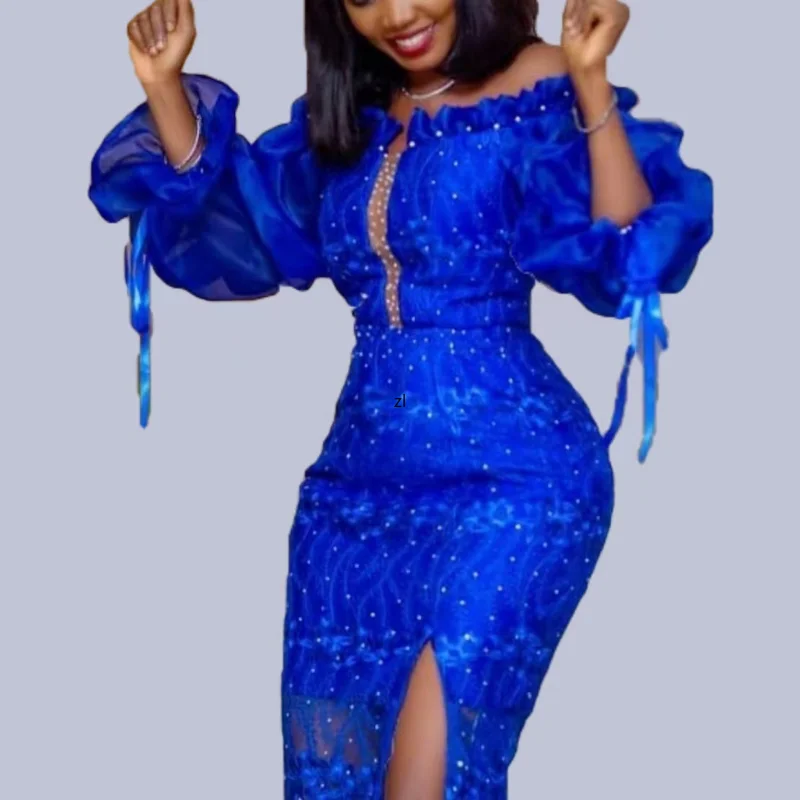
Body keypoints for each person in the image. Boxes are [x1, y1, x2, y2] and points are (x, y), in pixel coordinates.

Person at [88, 0, 713, 795]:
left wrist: (590, 80)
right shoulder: (351, 116)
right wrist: (164, 86)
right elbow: (240, 225)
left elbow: (629, 258)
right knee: (337, 780)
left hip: (514, 486)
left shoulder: (535, 81)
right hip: (351, 501)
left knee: (425, 782)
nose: (397, 13)